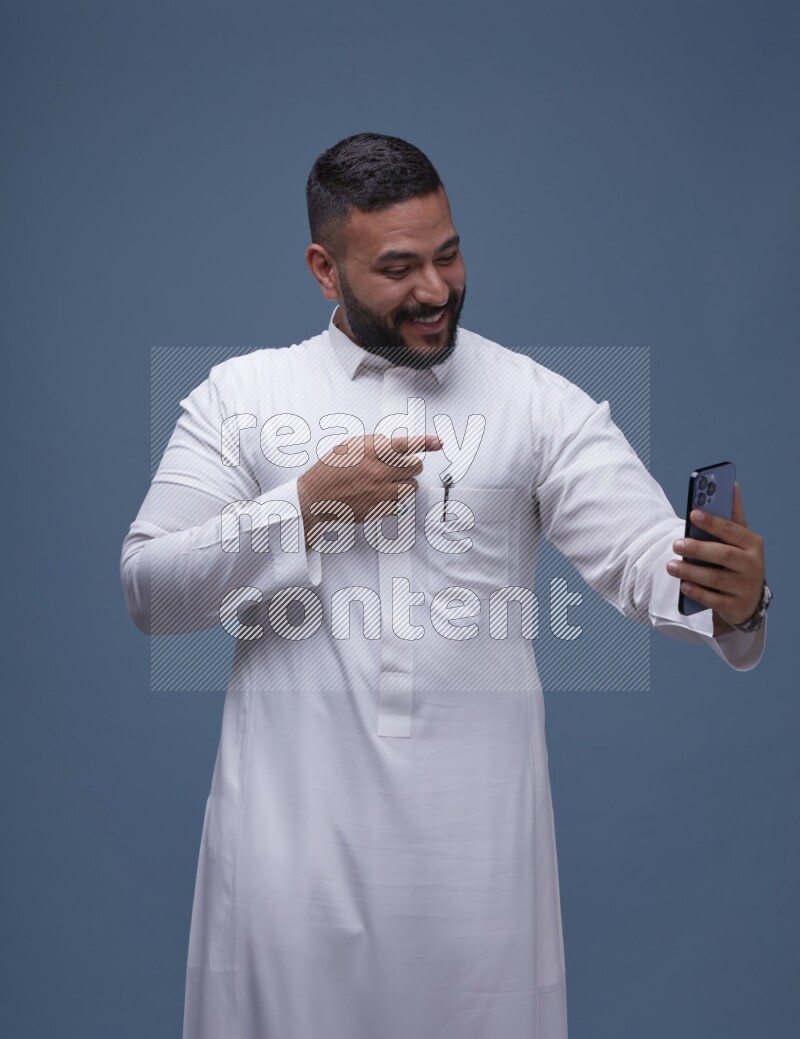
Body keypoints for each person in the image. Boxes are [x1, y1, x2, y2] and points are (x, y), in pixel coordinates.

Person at [120, 133, 769, 1039]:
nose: (435, 290)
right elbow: (151, 588)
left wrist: (729, 598)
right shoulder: (238, 396)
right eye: (397, 267)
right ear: (324, 268)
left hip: (477, 870)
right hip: (288, 854)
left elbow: (641, 556)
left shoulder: (538, 401)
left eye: (449, 253)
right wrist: (300, 508)